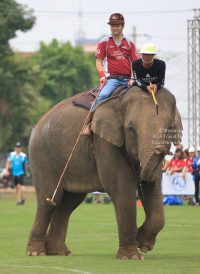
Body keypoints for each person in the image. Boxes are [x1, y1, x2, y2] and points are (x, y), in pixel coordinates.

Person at [82, 13, 138, 135]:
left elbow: (134, 62)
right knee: (103, 96)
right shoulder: (104, 41)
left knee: (142, 96)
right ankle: (88, 124)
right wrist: (102, 75)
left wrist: (133, 78)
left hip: (129, 78)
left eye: (117, 25)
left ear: (123, 26)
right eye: (112, 25)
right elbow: (98, 62)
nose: (114, 28)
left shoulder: (129, 42)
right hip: (112, 79)